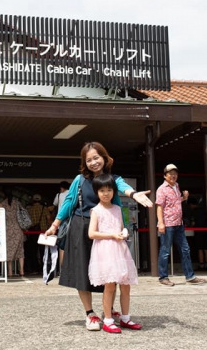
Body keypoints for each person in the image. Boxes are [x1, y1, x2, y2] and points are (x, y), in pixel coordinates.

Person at [44, 142, 153, 331]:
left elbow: (123, 187)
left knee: (109, 270)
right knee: (82, 272)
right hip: (81, 227)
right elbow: (69, 202)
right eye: (89, 160)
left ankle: (108, 310)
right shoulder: (80, 179)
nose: (93, 162)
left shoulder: (113, 178)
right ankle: (90, 314)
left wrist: (134, 194)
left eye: (96, 157)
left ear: (104, 157)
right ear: (84, 163)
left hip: (107, 230)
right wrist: (55, 225)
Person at [88, 174, 142, 334]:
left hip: (120, 250)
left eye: (109, 190)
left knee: (126, 285)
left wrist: (123, 232)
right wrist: (112, 235)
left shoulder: (118, 209)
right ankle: (108, 320)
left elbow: (121, 227)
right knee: (109, 286)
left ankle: (125, 318)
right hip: (105, 251)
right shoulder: (96, 210)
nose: (106, 193)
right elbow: (91, 233)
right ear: (96, 192)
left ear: (114, 191)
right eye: (102, 190)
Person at [156, 164, 205, 286]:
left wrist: (184, 197)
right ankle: (163, 277)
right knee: (165, 250)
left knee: (185, 249)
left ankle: (190, 276)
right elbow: (159, 207)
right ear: (165, 176)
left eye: (175, 173)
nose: (173, 176)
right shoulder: (162, 189)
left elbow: (175, 203)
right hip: (168, 224)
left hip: (179, 223)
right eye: (170, 173)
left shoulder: (176, 186)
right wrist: (161, 223)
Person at [0, 187, 25, 277]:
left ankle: (10, 271)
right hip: (18, 229)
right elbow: (23, 214)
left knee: (9, 250)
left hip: (8, 229)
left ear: (4, 195)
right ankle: (21, 270)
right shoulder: (17, 203)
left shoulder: (2, 204)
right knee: (20, 251)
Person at [26, 194, 52, 273]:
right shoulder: (44, 208)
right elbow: (49, 219)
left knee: (33, 251)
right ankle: (43, 267)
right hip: (43, 232)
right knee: (43, 251)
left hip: (32, 232)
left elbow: (27, 221)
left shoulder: (29, 209)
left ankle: (34, 268)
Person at [188, 197, 207, 271]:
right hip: (206, 231)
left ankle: (201, 265)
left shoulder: (194, 212)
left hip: (198, 232)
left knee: (200, 249)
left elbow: (193, 223)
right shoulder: (204, 211)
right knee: (206, 248)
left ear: (191, 205)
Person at [53, 181, 70, 268]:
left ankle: (62, 267)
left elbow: (54, 204)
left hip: (61, 221)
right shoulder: (71, 194)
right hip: (71, 220)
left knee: (62, 245)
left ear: (62, 188)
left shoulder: (59, 195)